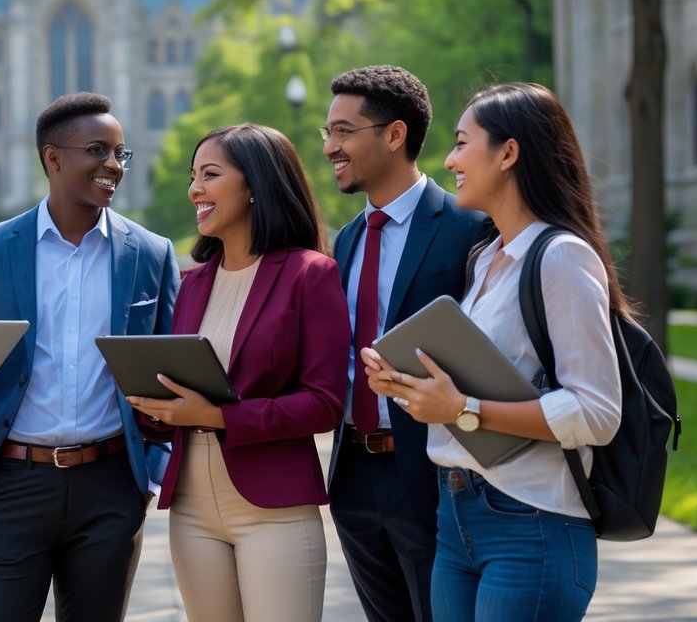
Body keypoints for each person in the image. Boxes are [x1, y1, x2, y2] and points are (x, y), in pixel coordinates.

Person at [363, 82, 623, 621]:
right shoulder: (485, 261)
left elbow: (597, 412)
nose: (450, 158)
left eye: (462, 143)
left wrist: (462, 410)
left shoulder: (562, 257)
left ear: (508, 153)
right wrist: (411, 387)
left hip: (532, 522)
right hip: (456, 518)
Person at [0, 92, 180, 622]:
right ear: (53, 158)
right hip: (8, 486)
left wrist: (148, 477)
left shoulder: (152, 253)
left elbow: (167, 373)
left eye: (122, 154)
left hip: (111, 488)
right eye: (98, 150)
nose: (113, 166)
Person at [127, 123, 349, 622]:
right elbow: (181, 393)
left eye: (209, 174)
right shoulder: (191, 284)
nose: (194, 190)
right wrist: (153, 406)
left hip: (274, 510)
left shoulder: (310, 274)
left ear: (255, 184)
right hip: (191, 510)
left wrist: (222, 416)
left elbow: (325, 402)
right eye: (193, 176)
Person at [322, 64, 487, 622]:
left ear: (395, 135)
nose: (330, 147)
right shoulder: (344, 242)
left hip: (438, 477)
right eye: (328, 133)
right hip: (354, 478)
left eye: (344, 131)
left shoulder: (470, 229)